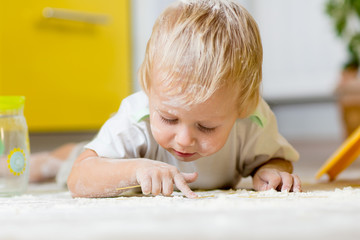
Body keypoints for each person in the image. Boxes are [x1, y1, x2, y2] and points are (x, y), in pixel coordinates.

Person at [31, 0, 301, 198]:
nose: (184, 139)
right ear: (148, 86)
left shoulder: (254, 119)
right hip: (113, 157)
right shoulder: (135, 118)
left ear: (244, 106)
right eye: (169, 118)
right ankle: (48, 159)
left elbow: (275, 158)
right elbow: (80, 178)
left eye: (206, 126)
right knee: (65, 161)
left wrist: (272, 171)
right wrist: (136, 170)